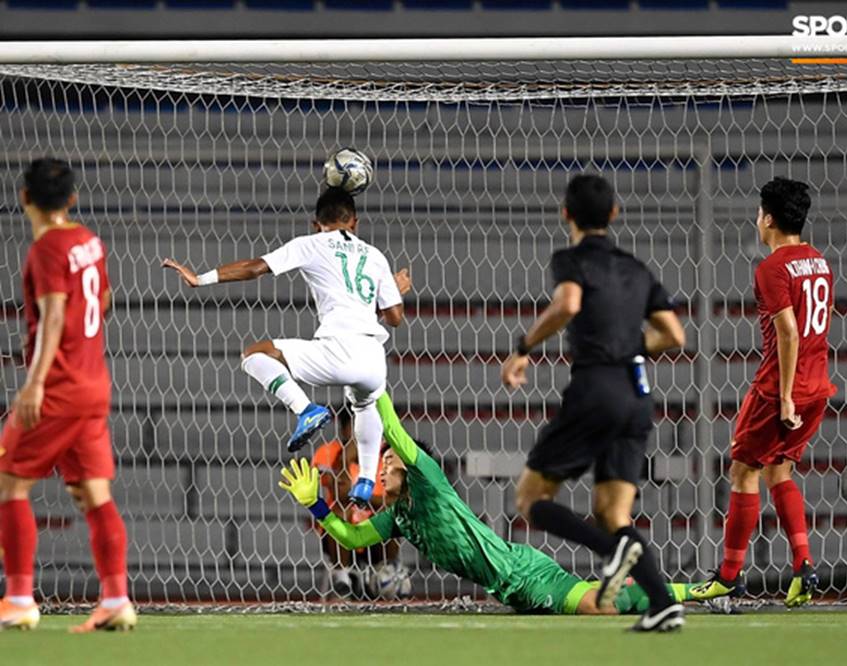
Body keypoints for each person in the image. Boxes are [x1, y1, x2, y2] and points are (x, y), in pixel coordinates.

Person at [278, 394, 717, 617]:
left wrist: (368, 377)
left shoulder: (429, 484)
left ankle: (694, 593)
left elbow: (391, 427)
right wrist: (317, 505)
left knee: (598, 607)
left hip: (521, 574)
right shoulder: (399, 516)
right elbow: (354, 537)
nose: (380, 466)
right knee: (596, 599)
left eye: (389, 461)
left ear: (409, 470)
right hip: (509, 584)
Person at [500, 174, 687, 632]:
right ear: (614, 213)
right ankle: (663, 603)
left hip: (596, 388)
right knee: (612, 512)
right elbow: (674, 334)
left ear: (566, 213)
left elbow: (567, 303)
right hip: (637, 394)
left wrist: (523, 347)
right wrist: (628, 344)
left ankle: (612, 551)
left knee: (529, 498)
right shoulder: (636, 269)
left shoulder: (571, 259)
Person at [162, 187, 410, 503]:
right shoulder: (375, 256)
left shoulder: (311, 243)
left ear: (316, 224)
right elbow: (395, 317)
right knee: (365, 404)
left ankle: (305, 409)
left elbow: (256, 267)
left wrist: (201, 278)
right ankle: (365, 481)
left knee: (255, 353)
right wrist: (394, 290)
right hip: (373, 358)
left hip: (336, 350)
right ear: (355, 223)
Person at [0, 158, 135, 632]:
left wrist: (35, 382)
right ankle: (116, 599)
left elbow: (55, 315)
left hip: (58, 387)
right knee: (93, 493)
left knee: (9, 484)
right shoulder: (88, 241)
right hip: (93, 383)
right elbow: (104, 299)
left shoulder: (47, 248)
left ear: (24, 197)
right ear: (72, 198)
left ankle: (19, 598)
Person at [691, 178, 835, 608]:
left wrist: (785, 395)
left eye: (759, 212)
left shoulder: (772, 268)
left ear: (768, 219)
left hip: (778, 390)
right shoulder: (818, 262)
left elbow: (788, 332)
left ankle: (728, 577)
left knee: (743, 472)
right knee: (779, 473)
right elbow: (819, 320)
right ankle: (804, 566)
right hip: (818, 386)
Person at [312, 408, 406, 598]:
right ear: (344, 429)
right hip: (338, 535)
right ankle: (342, 579)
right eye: (357, 425)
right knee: (339, 512)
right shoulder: (328, 452)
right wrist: (345, 458)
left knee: (389, 514)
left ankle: (386, 573)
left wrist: (363, 497)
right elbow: (340, 494)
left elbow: (394, 500)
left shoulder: (387, 455)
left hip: (375, 533)